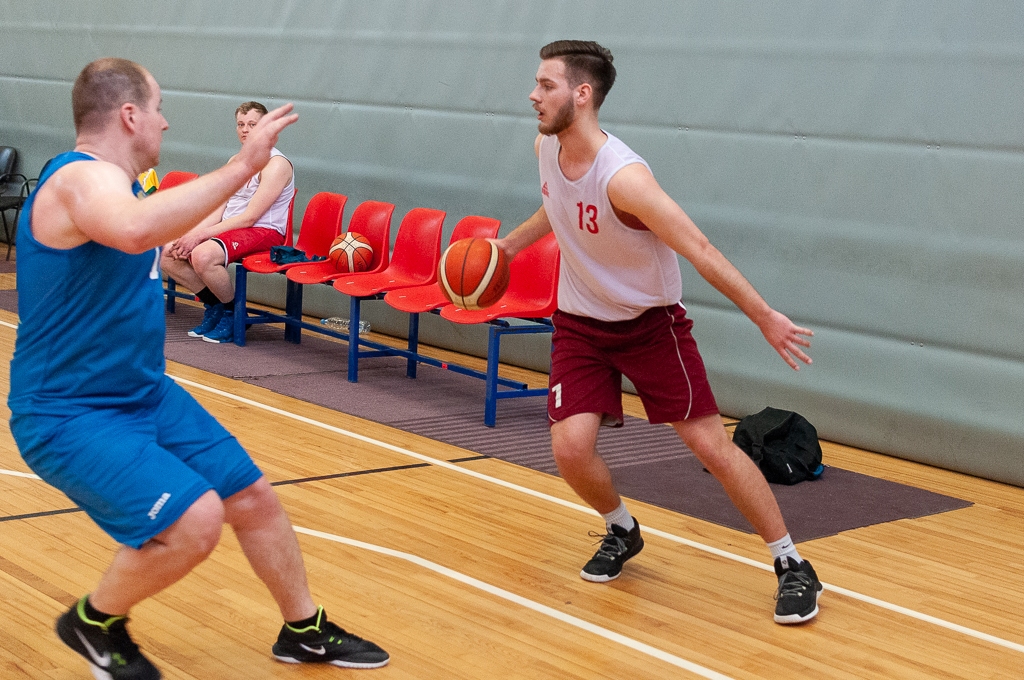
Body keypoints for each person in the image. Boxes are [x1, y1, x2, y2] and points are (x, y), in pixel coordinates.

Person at [8, 58, 389, 679]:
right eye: (157, 107)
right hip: (69, 412)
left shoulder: (121, 187)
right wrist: (245, 165)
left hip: (141, 395)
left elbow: (143, 228)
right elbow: (133, 232)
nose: (164, 121)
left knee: (253, 498)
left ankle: (304, 628)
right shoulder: (79, 181)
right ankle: (94, 620)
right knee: (196, 520)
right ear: (129, 115)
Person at [495, 41, 823, 625]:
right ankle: (622, 529)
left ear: (581, 94)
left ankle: (792, 563)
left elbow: (699, 248)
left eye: (546, 85)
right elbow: (558, 206)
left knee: (711, 447)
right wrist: (508, 246)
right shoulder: (547, 146)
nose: (533, 94)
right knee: (570, 447)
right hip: (579, 324)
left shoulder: (627, 178)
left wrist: (764, 315)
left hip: (650, 327)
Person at [161, 100, 295, 344]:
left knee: (203, 255)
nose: (245, 130)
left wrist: (200, 237)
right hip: (233, 228)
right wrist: (189, 235)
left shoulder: (277, 164)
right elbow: (220, 208)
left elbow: (251, 217)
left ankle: (234, 313)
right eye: (241, 124)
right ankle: (215, 306)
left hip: (263, 231)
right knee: (168, 252)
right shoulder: (237, 161)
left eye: (252, 124)